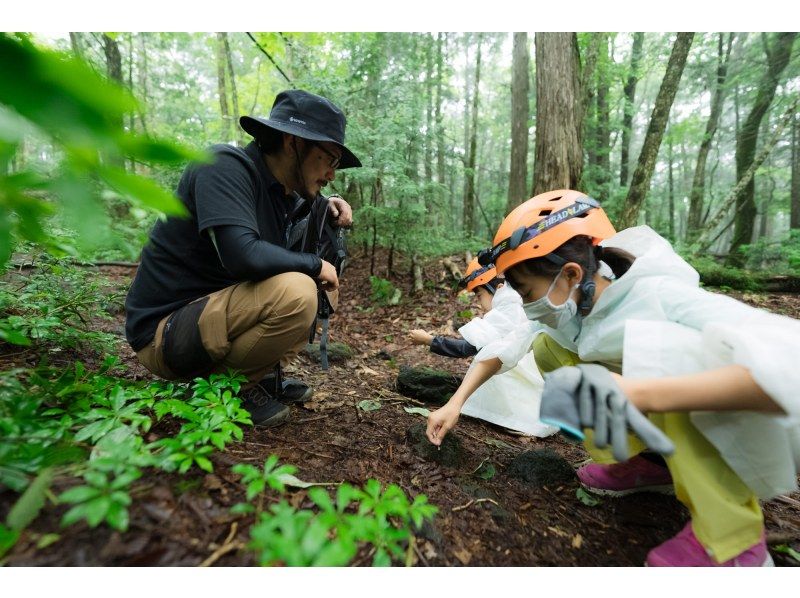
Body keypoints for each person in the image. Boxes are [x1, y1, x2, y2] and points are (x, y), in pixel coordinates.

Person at [426, 189, 800, 566]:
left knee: (663, 358)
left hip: (743, 419)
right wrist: (453, 404)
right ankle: (653, 463)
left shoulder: (659, 294)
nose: (524, 304)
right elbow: (504, 347)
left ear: (569, 273)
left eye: (526, 292)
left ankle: (733, 541)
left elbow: (785, 364)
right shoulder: (571, 303)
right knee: (548, 350)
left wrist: (644, 393)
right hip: (661, 409)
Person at [125, 89, 361, 428]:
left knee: (323, 287)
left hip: (209, 319)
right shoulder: (222, 165)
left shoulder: (281, 193)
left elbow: (296, 224)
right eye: (330, 159)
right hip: (165, 333)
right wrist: (313, 264)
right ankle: (226, 391)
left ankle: (257, 377)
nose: (332, 173)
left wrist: (329, 204)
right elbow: (242, 255)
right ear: (293, 142)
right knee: (298, 289)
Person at [410, 259, 556, 436]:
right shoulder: (516, 302)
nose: (480, 303)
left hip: (527, 379)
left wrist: (429, 340)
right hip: (540, 379)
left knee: (489, 354)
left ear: (496, 287)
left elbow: (467, 348)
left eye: (479, 295)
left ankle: (517, 419)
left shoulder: (509, 307)